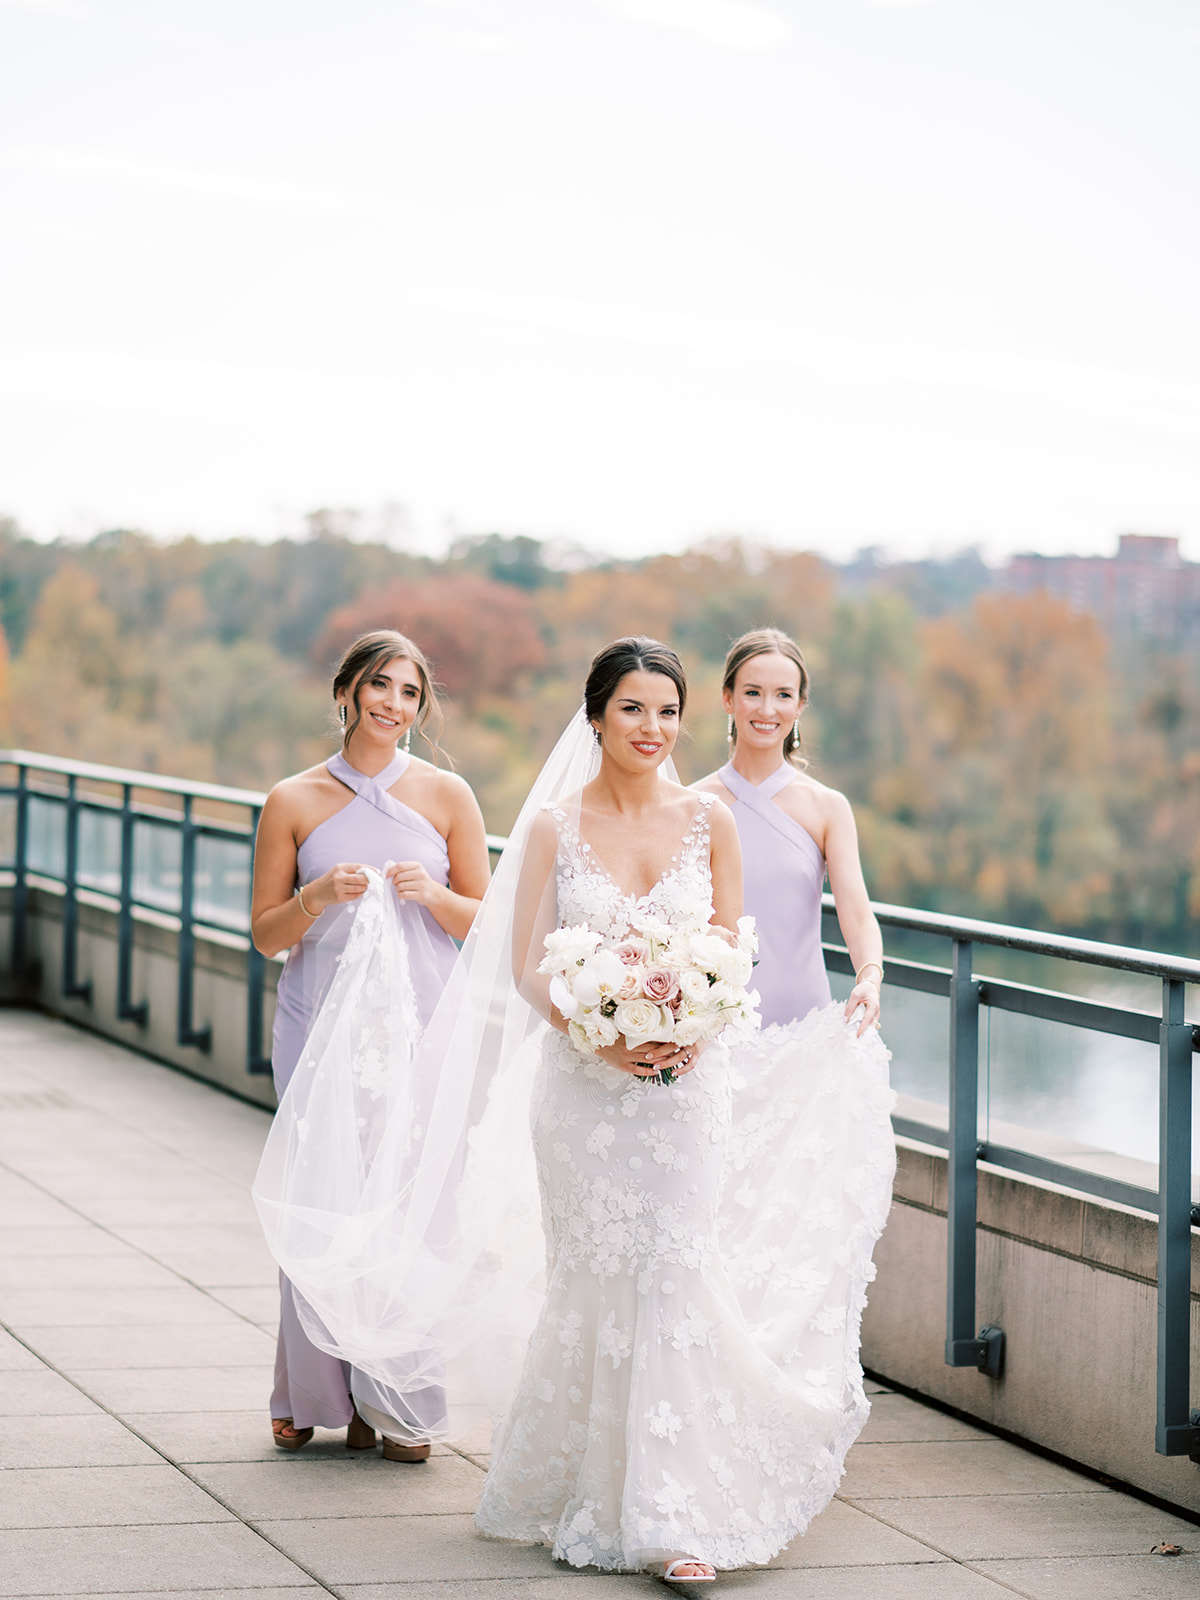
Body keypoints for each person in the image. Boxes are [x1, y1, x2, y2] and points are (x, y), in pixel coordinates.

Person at [473, 637, 893, 1582]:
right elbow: (525, 964)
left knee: (673, 1274)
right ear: (595, 718)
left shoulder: (711, 821)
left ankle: (679, 1514)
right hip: (582, 1089)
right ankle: (584, 1482)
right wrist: (601, 1037)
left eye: (667, 711)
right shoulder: (551, 827)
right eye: (632, 709)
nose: (652, 728)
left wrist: (687, 1032)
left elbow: (730, 954)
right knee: (591, 1277)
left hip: (686, 1092)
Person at [250, 628, 490, 1458]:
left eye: (410, 693)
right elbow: (264, 934)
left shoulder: (448, 796)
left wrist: (436, 898)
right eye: (380, 686)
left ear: (422, 708)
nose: (393, 705)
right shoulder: (293, 799)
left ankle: (397, 1397)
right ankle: (309, 1389)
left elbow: (486, 923)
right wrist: (313, 897)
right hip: (317, 1027)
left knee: (408, 1206)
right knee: (322, 1200)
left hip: (422, 1027)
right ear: (346, 691)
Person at [690, 626, 896, 1542]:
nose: (768, 709)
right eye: (753, 692)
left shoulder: (824, 807)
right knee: (718, 1222)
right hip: (717, 1039)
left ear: (799, 708)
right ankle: (713, 1407)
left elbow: (852, 901)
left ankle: (784, 1410)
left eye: (785, 695)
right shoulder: (692, 802)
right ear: (727, 700)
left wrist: (873, 972)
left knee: (795, 1231)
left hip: (807, 1032)